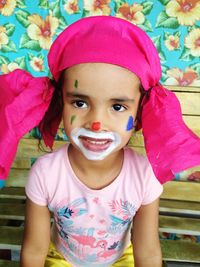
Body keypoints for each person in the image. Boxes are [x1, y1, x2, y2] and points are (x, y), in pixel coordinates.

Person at [0, 15, 200, 267]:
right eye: (80, 103)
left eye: (117, 106)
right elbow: (35, 251)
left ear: (138, 115)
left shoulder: (144, 176)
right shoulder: (46, 173)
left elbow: (147, 253)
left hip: (121, 260)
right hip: (62, 259)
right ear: (61, 104)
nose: (96, 123)